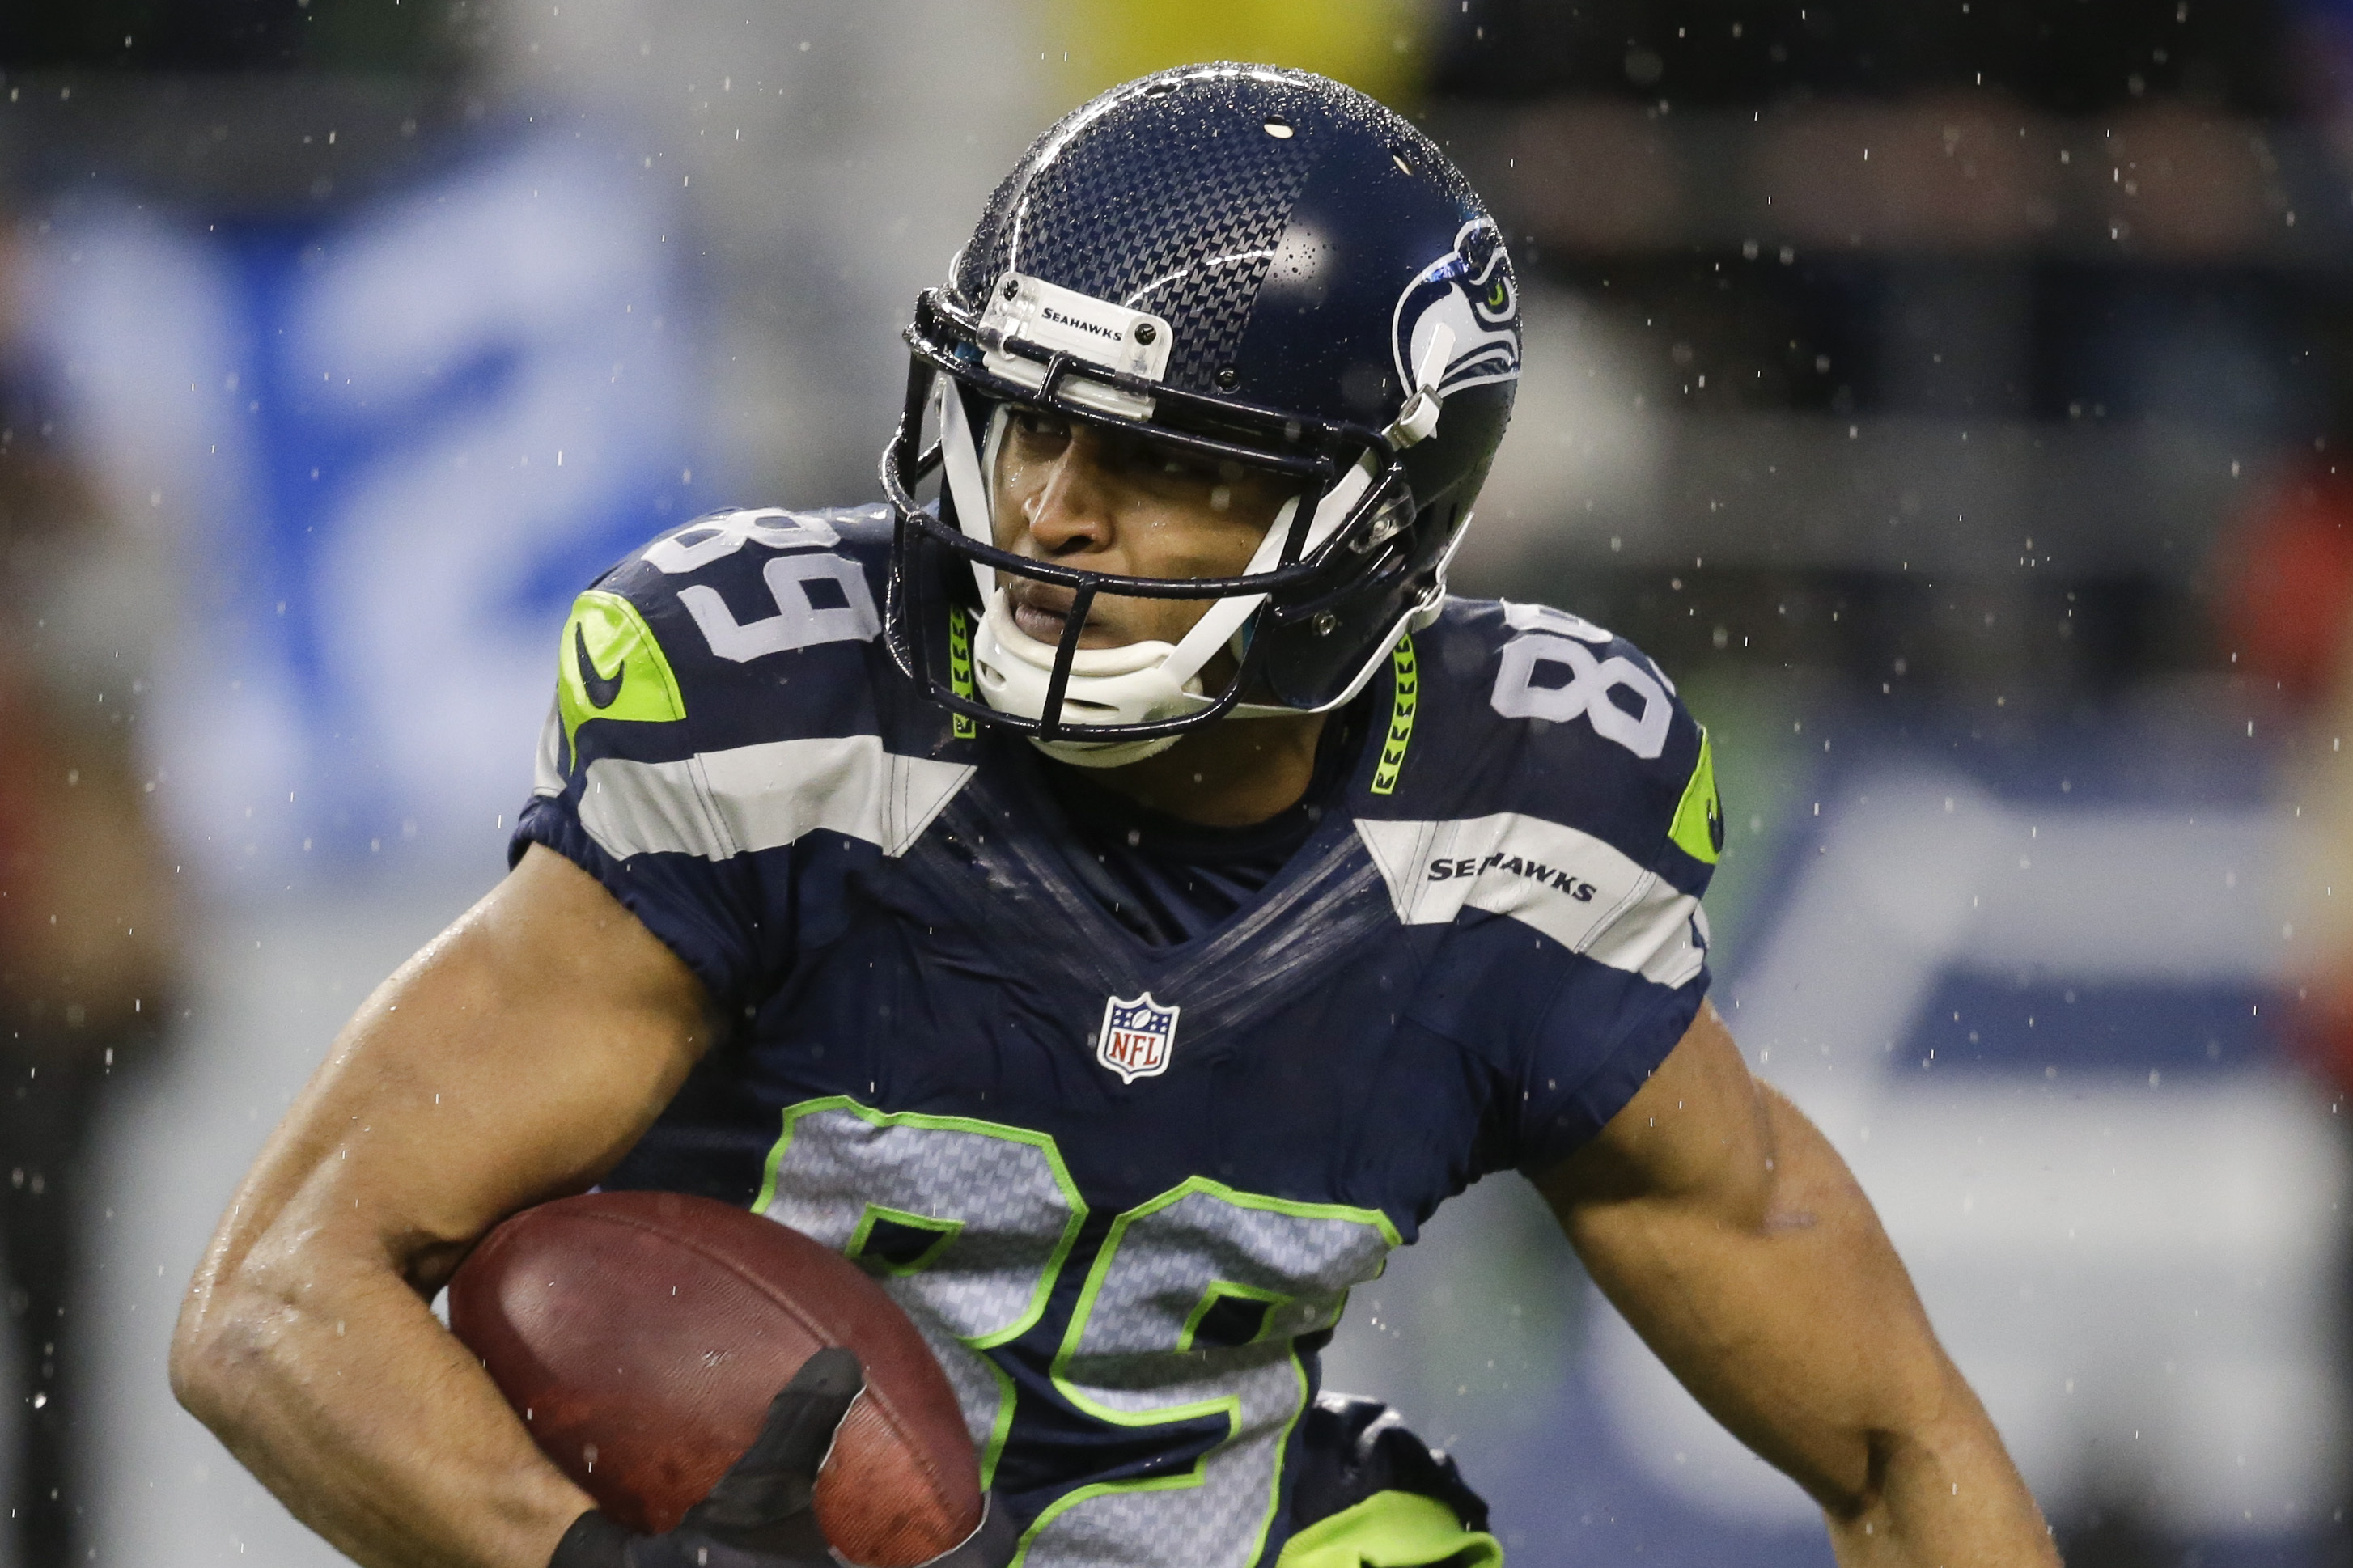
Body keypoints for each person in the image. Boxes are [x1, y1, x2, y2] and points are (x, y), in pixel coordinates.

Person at [171, 65, 2057, 1568]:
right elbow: (272, 1302)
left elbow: (1894, 1451)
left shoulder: (1519, 841)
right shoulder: (783, 732)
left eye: (1159, 463)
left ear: (1370, 524)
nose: (1052, 511)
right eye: (1026, 422)